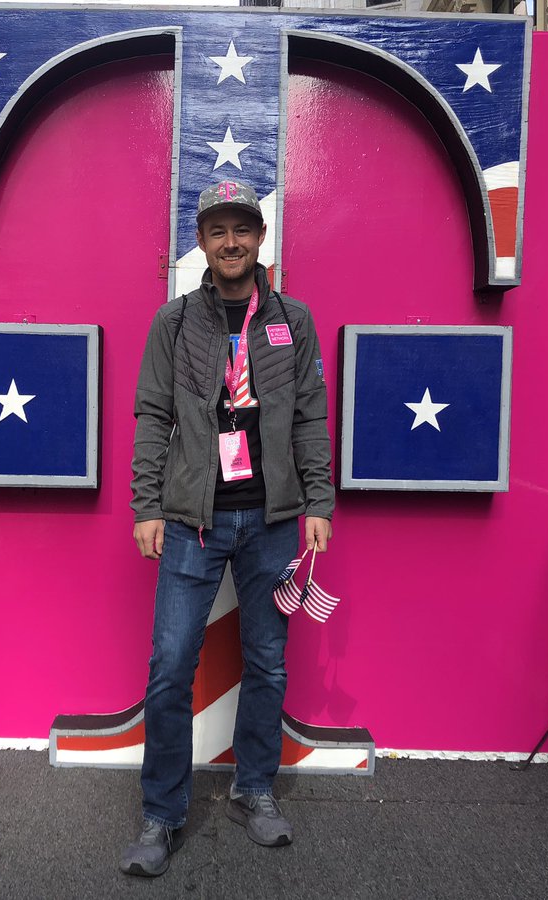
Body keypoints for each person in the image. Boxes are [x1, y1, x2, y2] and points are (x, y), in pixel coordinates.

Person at [122, 180, 334, 877]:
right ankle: (162, 811)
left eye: (243, 228)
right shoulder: (175, 323)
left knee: (268, 662)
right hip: (193, 520)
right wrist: (146, 505)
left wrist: (319, 505)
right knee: (170, 668)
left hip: (272, 521)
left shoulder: (292, 322)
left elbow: (309, 417)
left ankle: (254, 789)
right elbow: (153, 415)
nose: (232, 242)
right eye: (218, 231)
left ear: (260, 237)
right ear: (202, 240)